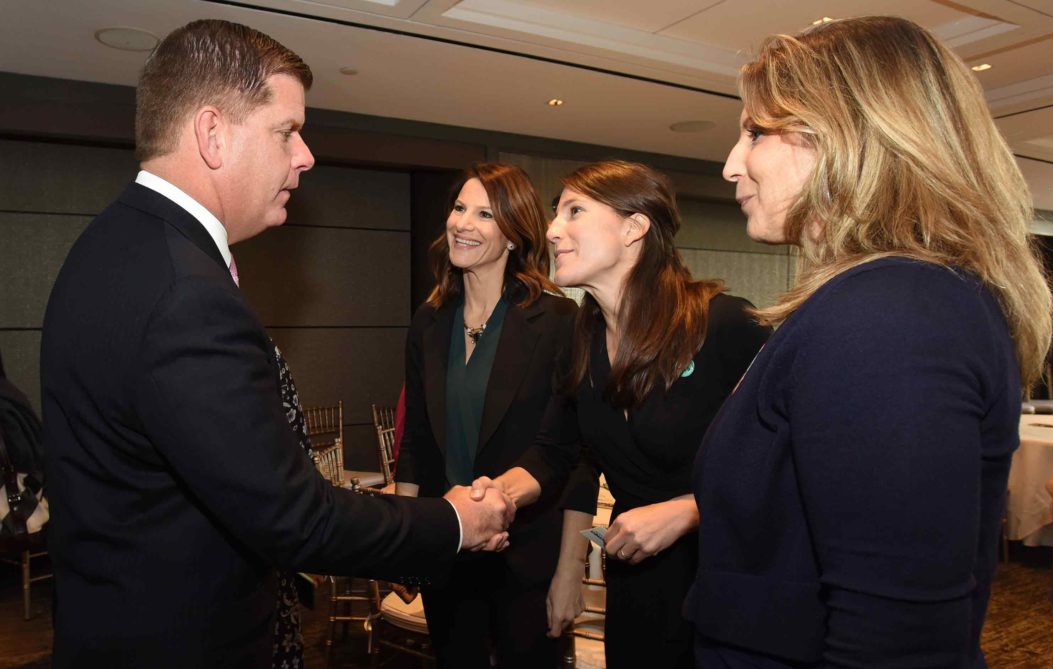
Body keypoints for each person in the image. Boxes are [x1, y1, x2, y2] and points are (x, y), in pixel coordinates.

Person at [40, 19, 513, 669]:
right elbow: (294, 515)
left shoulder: (112, 246)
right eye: (287, 130)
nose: (306, 155)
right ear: (213, 134)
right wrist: (455, 519)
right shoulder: (184, 290)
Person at [685, 16, 1053, 668]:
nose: (731, 164)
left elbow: (895, 644)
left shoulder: (893, 316)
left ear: (844, 135)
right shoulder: (878, 303)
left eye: (753, 132)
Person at [475, 160, 772, 667]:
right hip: (638, 586)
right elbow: (555, 450)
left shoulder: (724, 325)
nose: (552, 230)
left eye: (574, 211)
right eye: (555, 213)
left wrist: (689, 510)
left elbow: (787, 463)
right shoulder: (580, 336)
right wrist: (495, 494)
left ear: (635, 228)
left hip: (730, 584)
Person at [394, 162, 581, 668]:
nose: (462, 223)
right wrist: (406, 537)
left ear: (515, 235)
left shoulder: (558, 321)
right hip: (446, 545)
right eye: (459, 209)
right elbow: (414, 442)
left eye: (483, 214)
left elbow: (567, 456)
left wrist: (569, 571)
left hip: (524, 555)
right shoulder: (429, 320)